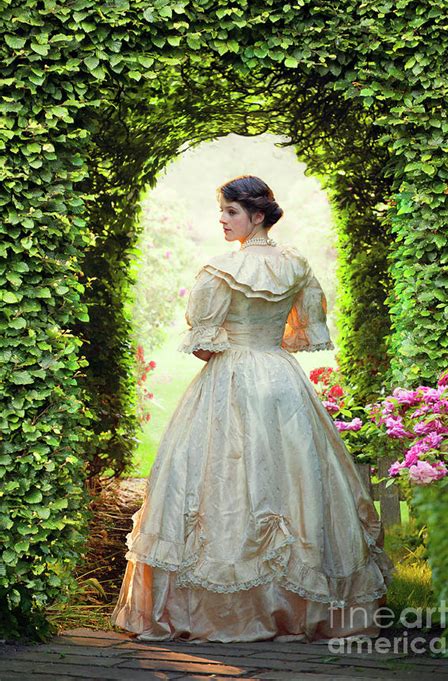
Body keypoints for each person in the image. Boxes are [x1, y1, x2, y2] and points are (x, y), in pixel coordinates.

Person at [111, 174, 395, 643]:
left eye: (230, 212)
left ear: (256, 215)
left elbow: (204, 345)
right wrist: (263, 344)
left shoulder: (221, 270)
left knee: (225, 477)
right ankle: (299, 607)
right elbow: (303, 330)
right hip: (281, 380)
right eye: (222, 212)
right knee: (295, 476)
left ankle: (230, 611)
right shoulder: (297, 266)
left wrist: (235, 343)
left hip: (230, 380)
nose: (222, 221)